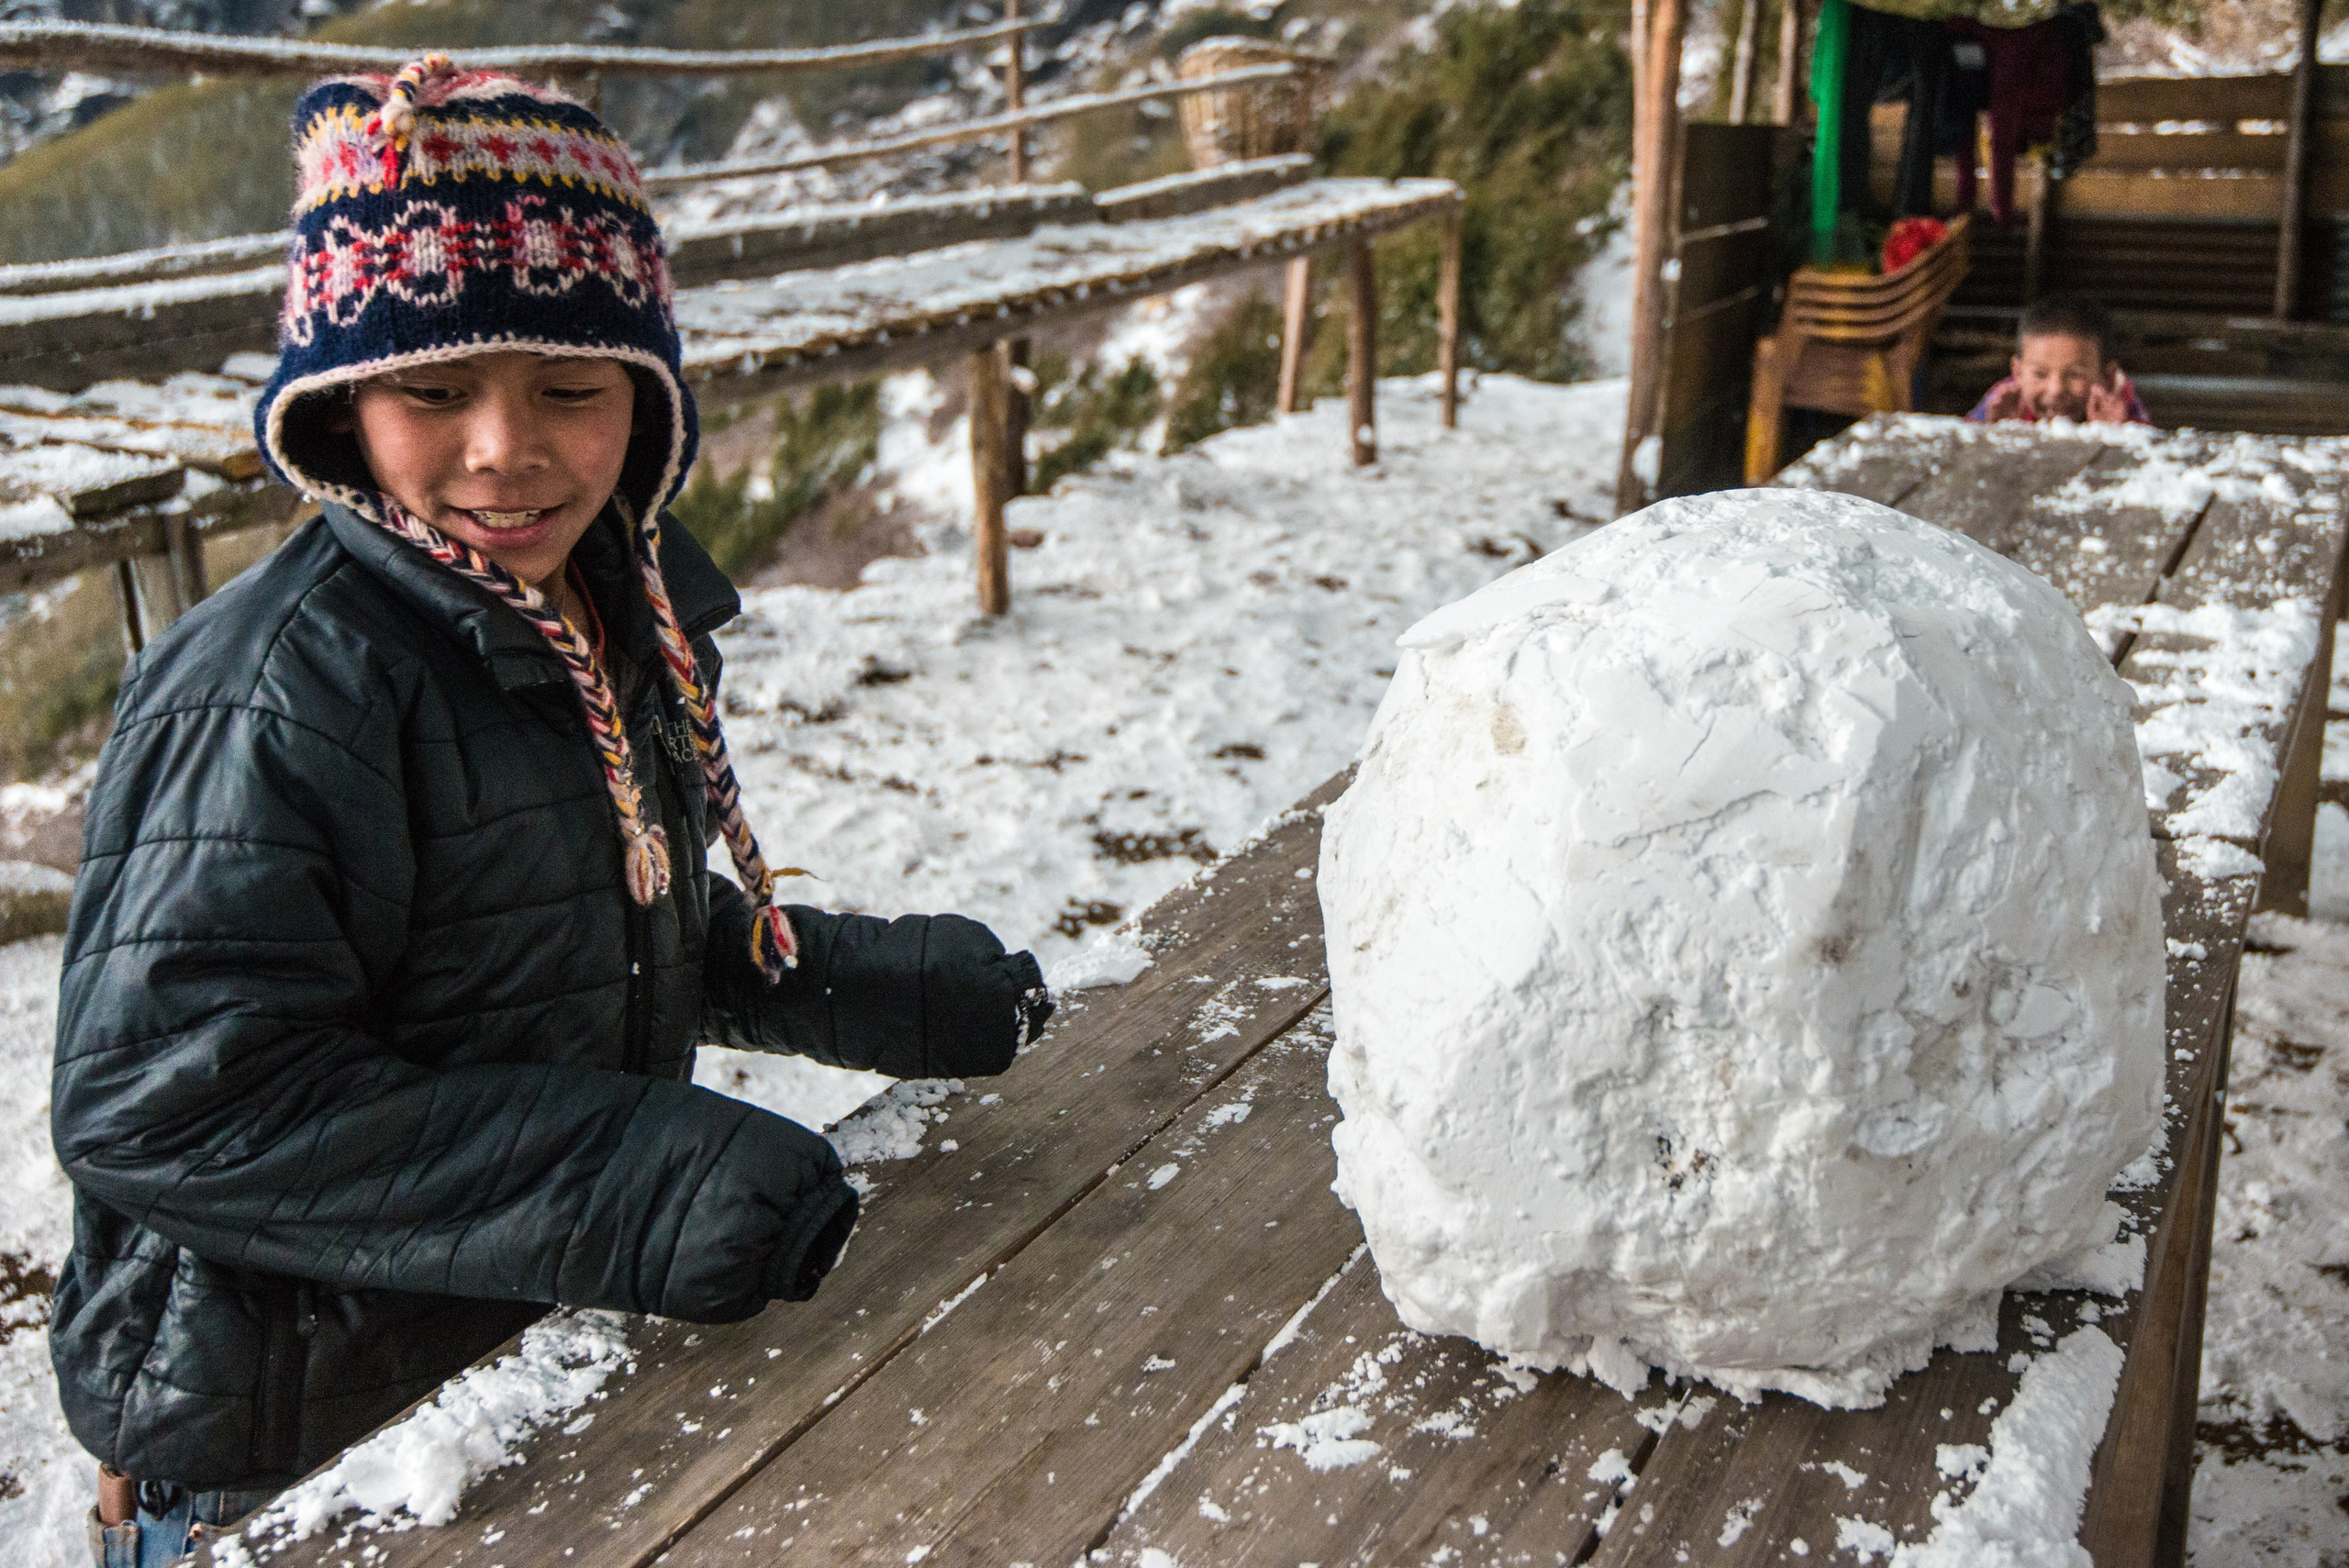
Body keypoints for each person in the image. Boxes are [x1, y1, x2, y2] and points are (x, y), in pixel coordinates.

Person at [50, 58, 1052, 1567]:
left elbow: (593, 919)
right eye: (433, 391)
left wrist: (884, 992)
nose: (506, 448)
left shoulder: (597, 610)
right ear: (338, 406)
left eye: (570, 391)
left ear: (644, 408)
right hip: (285, 1447)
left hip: (503, 1372)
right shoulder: (273, 692)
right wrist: (638, 1178)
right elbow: (169, 1096)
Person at [1966, 293, 2151, 426]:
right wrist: (1995, 433)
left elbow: (2150, 470)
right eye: (2040, 374)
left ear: (2108, 378)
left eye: (2075, 375)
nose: (2055, 390)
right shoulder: (2004, 401)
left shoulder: (2120, 408)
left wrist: (2112, 437)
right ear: (2018, 372)